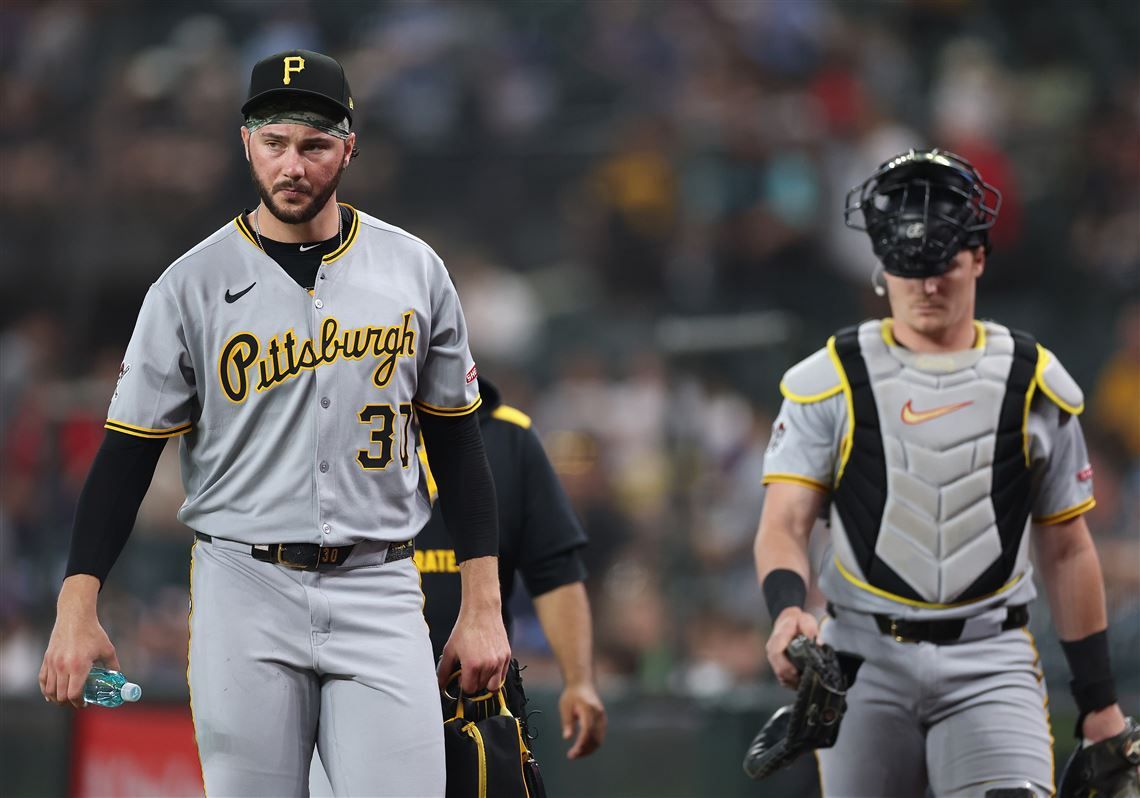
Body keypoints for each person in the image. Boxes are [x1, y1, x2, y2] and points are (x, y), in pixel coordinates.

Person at [39, 49, 511, 798]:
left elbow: (457, 444)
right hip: (243, 587)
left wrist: (484, 609)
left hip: (379, 582)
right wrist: (77, 605)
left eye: (316, 145)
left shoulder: (414, 269)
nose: (293, 164)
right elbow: (125, 459)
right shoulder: (187, 286)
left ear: (350, 147)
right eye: (275, 141)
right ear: (246, 142)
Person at [753, 149, 1129, 797]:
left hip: (991, 657)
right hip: (863, 660)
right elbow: (784, 522)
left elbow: (1067, 549)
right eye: (909, 265)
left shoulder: (1032, 378)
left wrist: (1098, 704)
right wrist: (788, 610)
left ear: (979, 257)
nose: (927, 285)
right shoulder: (833, 377)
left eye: (944, 264)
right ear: (882, 267)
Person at [312, 376, 607, 793]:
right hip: (350, 686)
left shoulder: (507, 434)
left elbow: (555, 569)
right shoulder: (332, 422)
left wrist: (579, 680)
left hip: (473, 700)